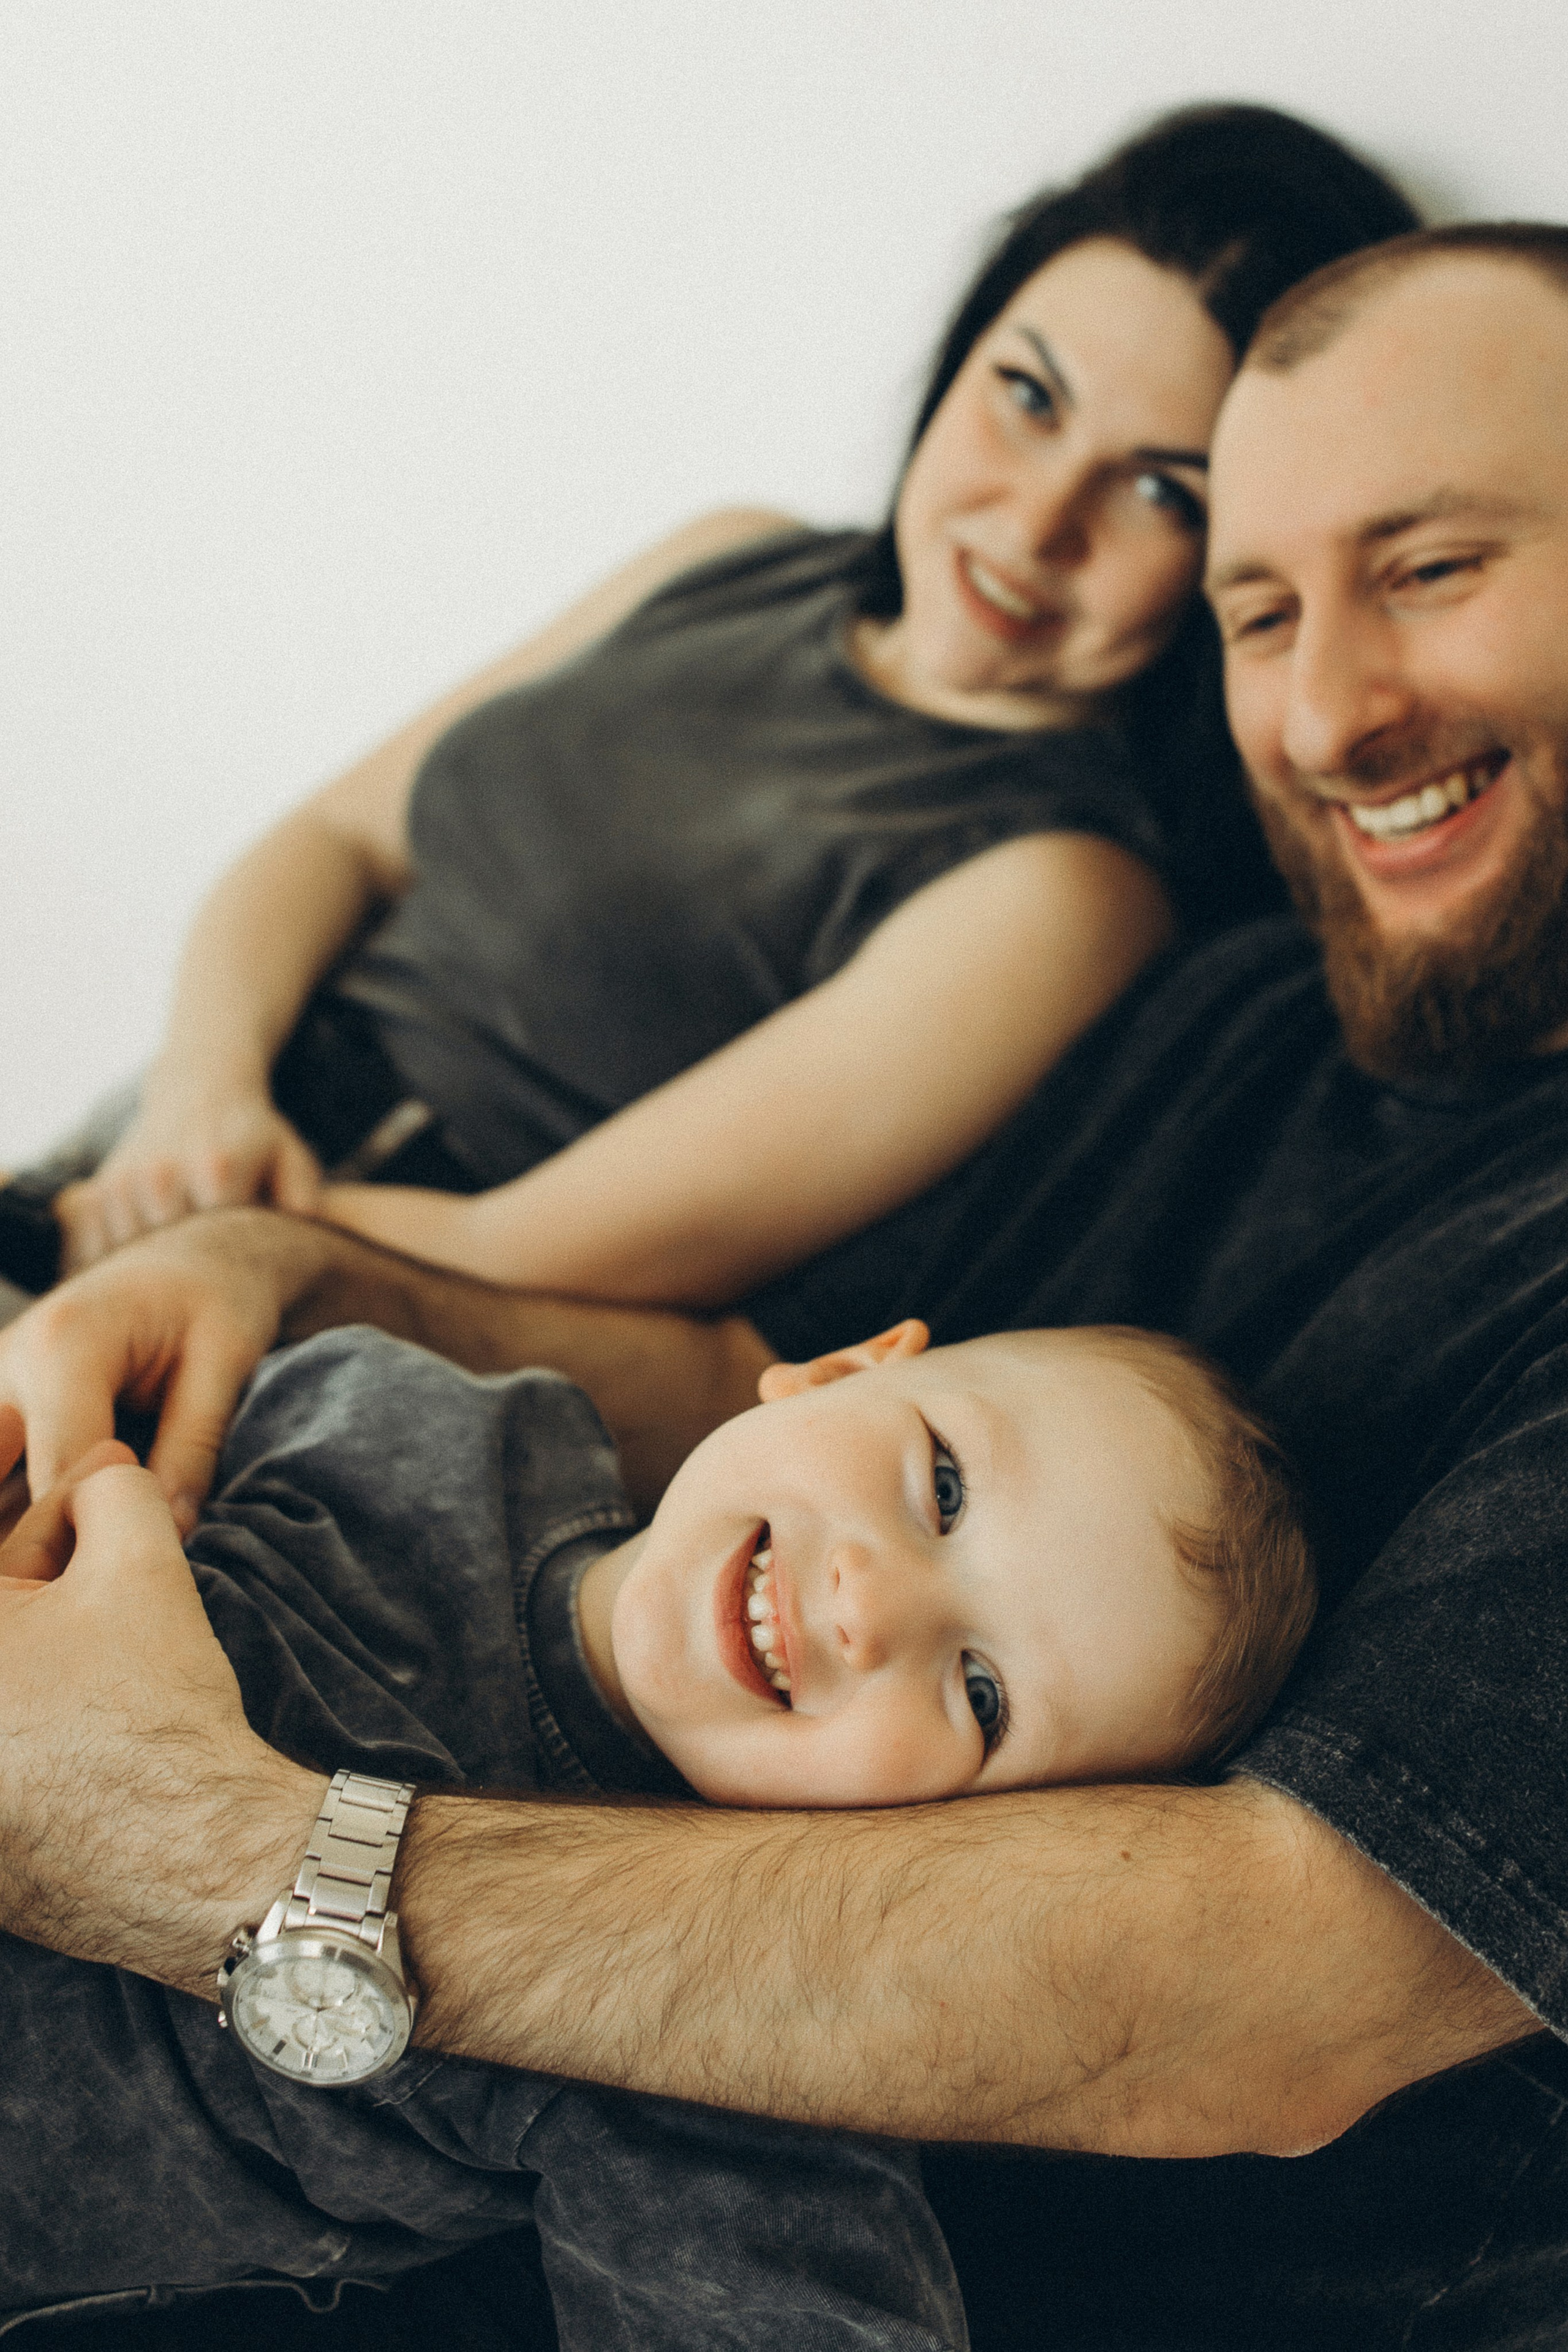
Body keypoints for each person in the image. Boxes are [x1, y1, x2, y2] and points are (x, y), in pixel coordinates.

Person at [5, 223, 1568, 2351]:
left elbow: (1277, 1988)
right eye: (1265, 610)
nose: (1320, 709)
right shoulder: (1243, 1014)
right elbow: (734, 1371)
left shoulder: (1096, 920)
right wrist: (269, 1272)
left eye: (1436, 566)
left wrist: (198, 1844)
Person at [0, 104, 1419, 1317]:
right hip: (163, 1139)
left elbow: (531, 1258)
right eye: (1025, 396)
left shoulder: (1065, 889)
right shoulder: (730, 558)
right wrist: (201, 1086)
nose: (1038, 519)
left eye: (1159, 488)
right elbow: (338, 837)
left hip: (341, 1298)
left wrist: (148, 1220)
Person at [0, 1314, 1311, 2335]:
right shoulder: (407, 1417)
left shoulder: (737, 2065)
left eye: (979, 1695)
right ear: (840, 1368)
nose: (869, 1609)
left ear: (966, 1853)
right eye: (944, 1486)